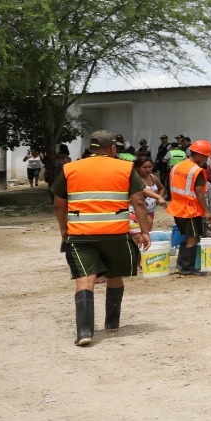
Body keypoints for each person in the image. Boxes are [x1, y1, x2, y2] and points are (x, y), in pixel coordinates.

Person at [53, 130, 152, 346]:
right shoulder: (125, 168)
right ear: (113, 148)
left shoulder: (70, 168)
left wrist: (63, 229)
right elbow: (139, 202)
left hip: (80, 233)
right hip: (115, 232)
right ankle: (112, 323)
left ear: (90, 148)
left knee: (85, 279)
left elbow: (59, 203)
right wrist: (144, 231)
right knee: (115, 274)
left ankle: (85, 332)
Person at [167, 139, 211, 275]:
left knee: (187, 236)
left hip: (177, 207)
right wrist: (206, 211)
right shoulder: (196, 170)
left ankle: (181, 266)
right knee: (193, 237)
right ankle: (188, 269)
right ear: (199, 155)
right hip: (190, 209)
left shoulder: (177, 167)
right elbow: (199, 191)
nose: (207, 160)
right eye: (206, 156)